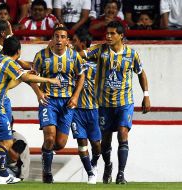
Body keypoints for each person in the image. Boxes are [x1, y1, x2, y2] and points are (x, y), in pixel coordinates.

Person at [0, 36, 60, 184]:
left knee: (1, 141)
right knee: (8, 141)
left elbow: (9, 84)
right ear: (18, 51)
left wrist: (23, 77)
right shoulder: (9, 62)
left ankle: (3, 174)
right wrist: (50, 80)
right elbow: (27, 77)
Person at [80, 21, 151, 184]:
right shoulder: (100, 50)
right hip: (104, 104)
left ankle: (121, 173)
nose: (108, 36)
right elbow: (82, 54)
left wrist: (146, 94)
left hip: (124, 102)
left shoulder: (132, 54)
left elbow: (141, 73)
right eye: (107, 33)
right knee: (105, 142)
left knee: (123, 133)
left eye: (112, 34)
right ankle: (108, 165)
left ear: (121, 36)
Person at [32, 25, 85, 183]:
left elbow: (81, 76)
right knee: (49, 138)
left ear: (67, 40)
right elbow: (31, 76)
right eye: (56, 36)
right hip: (48, 101)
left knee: (60, 143)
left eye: (62, 37)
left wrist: (75, 96)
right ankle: (47, 173)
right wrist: (39, 93)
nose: (59, 40)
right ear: (52, 39)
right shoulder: (41, 56)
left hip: (67, 102)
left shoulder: (74, 56)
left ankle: (45, 153)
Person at [71, 28, 101, 185]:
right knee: (81, 141)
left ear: (83, 43)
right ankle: (90, 173)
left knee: (96, 144)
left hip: (94, 109)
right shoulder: (70, 60)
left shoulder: (98, 63)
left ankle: (94, 163)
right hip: (76, 110)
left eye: (74, 41)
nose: (71, 43)